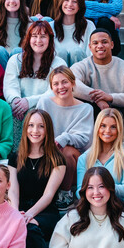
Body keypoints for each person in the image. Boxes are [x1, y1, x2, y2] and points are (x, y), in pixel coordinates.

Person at [9, 110, 65, 248]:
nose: (35, 130)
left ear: (48, 130)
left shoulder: (57, 159)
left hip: (46, 212)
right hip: (20, 208)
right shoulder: (14, 157)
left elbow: (49, 195)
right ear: (25, 129)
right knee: (23, 226)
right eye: (31, 125)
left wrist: (30, 215)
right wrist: (17, 214)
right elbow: (13, 191)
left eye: (41, 126)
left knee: (31, 227)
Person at [71, 28, 124, 160]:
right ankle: (89, 156)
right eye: (95, 43)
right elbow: (72, 84)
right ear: (90, 47)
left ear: (112, 44)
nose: (100, 46)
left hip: (120, 116)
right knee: (82, 104)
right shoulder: (82, 66)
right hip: (96, 114)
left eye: (104, 42)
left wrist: (110, 97)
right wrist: (97, 99)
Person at [35, 67, 94, 205]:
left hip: (74, 160)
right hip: (48, 153)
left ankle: (65, 193)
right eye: (56, 84)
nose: (60, 87)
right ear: (51, 87)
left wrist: (64, 138)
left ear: (73, 83)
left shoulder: (86, 108)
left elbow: (85, 139)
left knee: (66, 151)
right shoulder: (45, 103)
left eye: (64, 82)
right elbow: (37, 128)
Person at [4, 19, 66, 123]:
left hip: (45, 109)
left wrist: (29, 102)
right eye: (35, 36)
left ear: (50, 39)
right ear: (28, 39)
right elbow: (10, 86)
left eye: (43, 36)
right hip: (18, 108)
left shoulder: (59, 64)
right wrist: (16, 101)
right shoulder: (15, 60)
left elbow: (54, 92)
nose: (38, 40)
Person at [76, 109, 124, 202]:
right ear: (97, 128)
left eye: (113, 127)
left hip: (117, 206)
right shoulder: (84, 157)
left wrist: (104, 186)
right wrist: (97, 192)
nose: (107, 131)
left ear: (119, 129)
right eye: (103, 126)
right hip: (92, 205)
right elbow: (79, 192)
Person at [54, 0, 94, 66]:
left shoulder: (89, 25)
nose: (70, 4)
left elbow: (91, 54)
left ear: (79, 6)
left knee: (76, 51)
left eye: (74, 1)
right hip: (57, 74)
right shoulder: (51, 26)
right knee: (60, 53)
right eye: (67, 0)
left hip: (81, 72)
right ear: (61, 2)